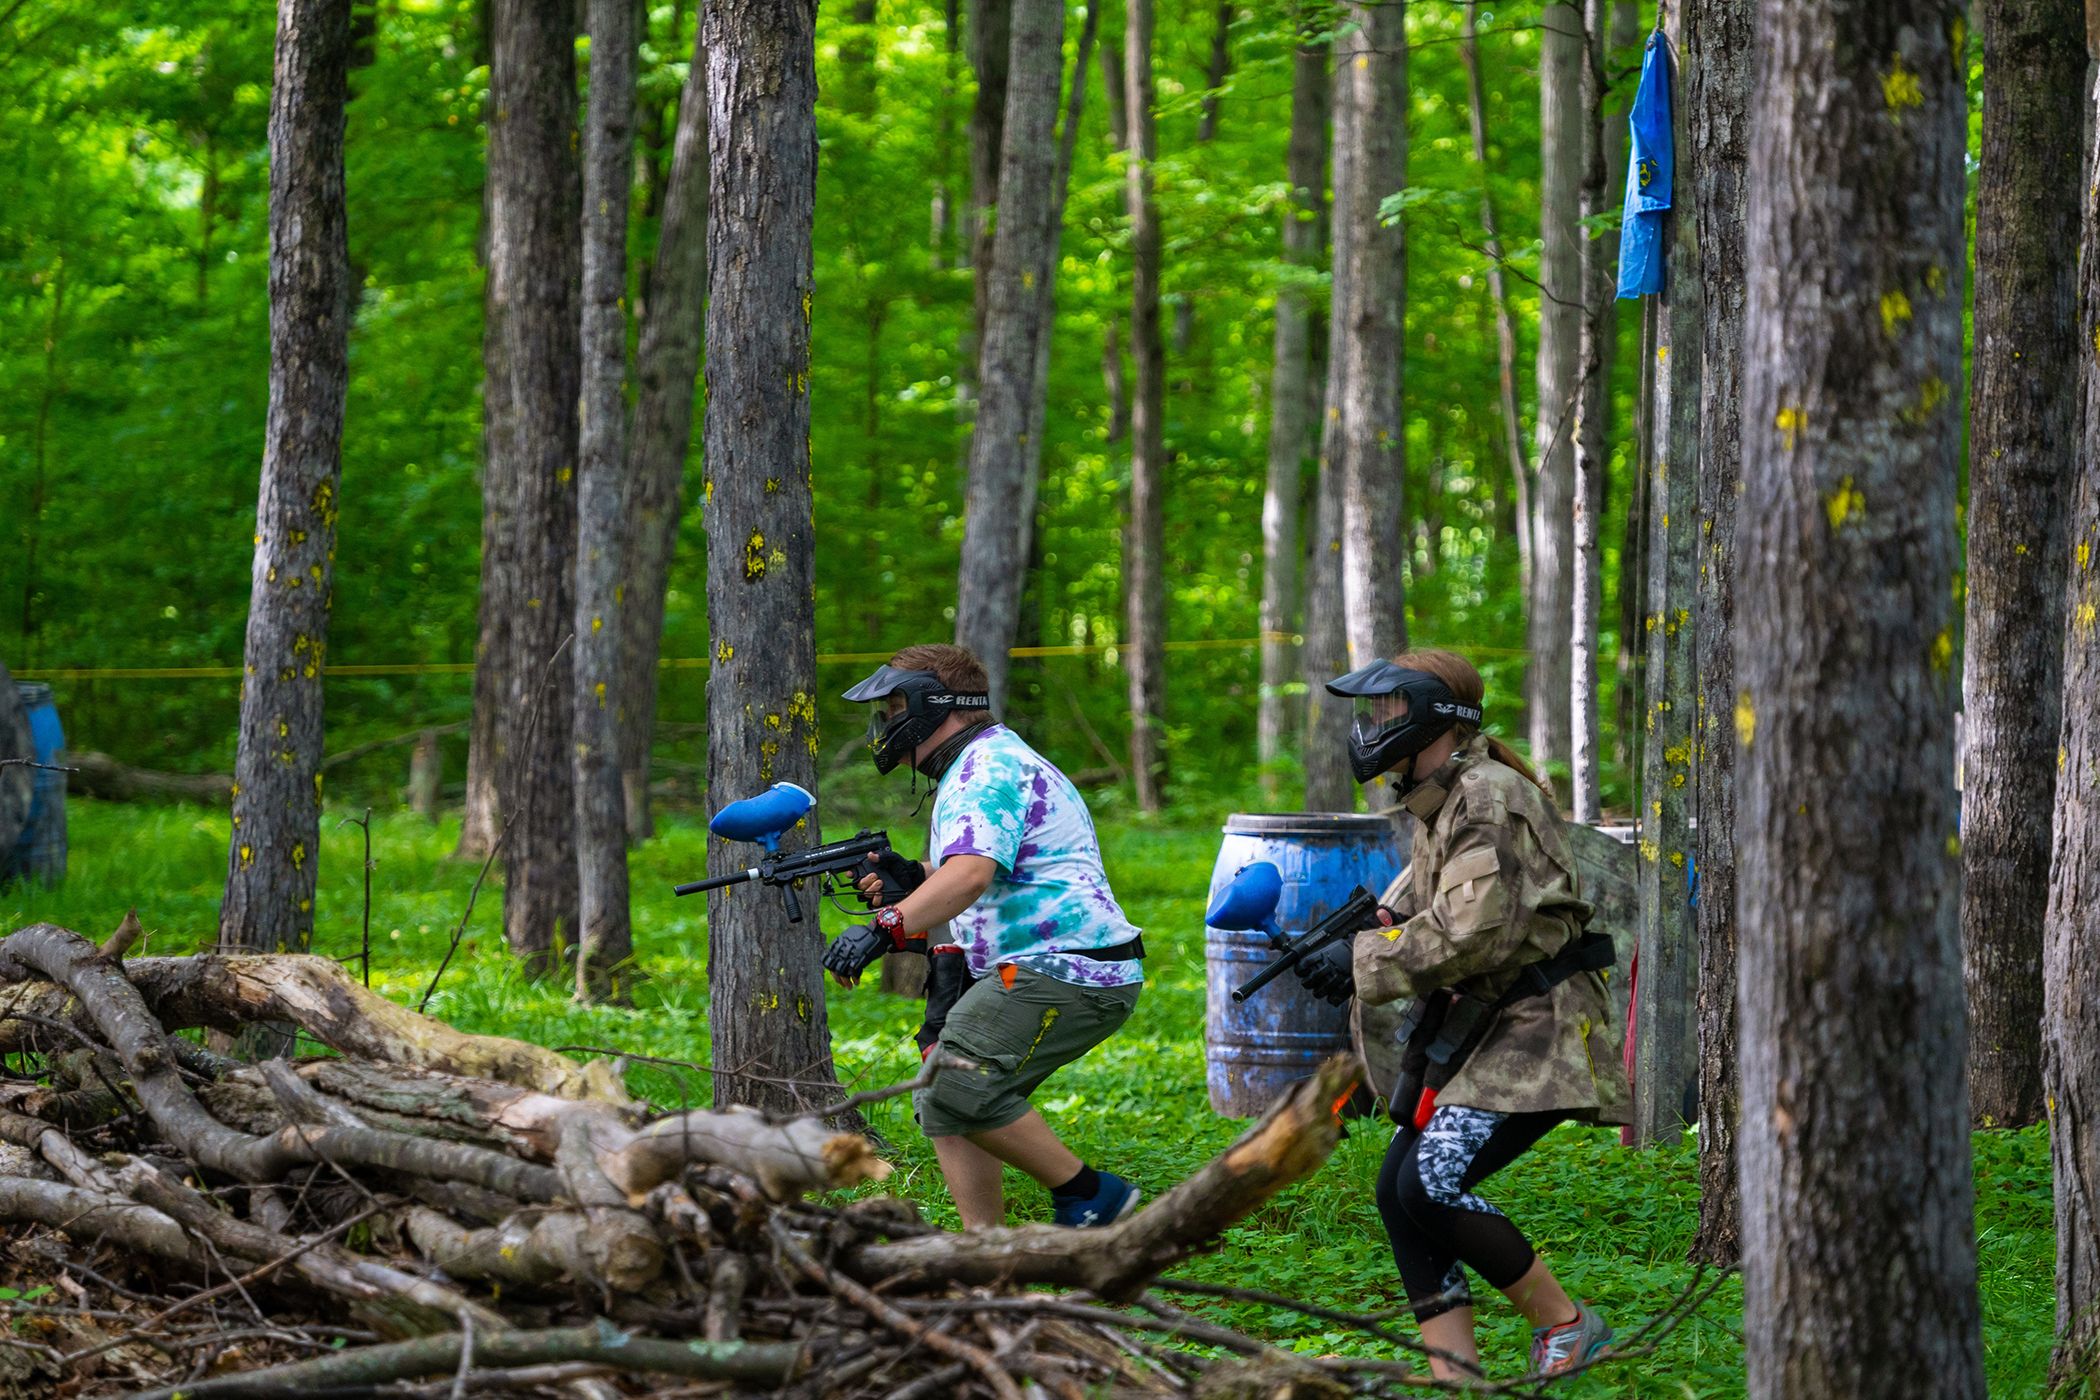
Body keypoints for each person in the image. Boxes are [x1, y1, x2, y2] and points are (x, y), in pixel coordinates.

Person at [1294, 647, 1630, 1380]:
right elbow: (1424, 900)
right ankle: (1455, 1375)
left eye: (1384, 710)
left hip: (1538, 1031)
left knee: (1429, 1185)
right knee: (1398, 1189)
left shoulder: (1486, 796)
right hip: (1487, 1026)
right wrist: (1359, 936)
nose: (1372, 725)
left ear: (1427, 716)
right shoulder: (1446, 794)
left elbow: (1472, 931)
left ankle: (1569, 1326)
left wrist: (1360, 963)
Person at [826, 643, 1146, 1230]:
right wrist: (912, 877)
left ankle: (1094, 1196)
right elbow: (981, 867)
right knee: (944, 1100)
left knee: (953, 1082)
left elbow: (971, 876)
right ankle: (985, 1249)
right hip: (1048, 965)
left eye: (894, 707)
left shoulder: (987, 769)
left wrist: (883, 927)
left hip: (1067, 968)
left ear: (931, 704)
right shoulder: (980, 764)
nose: (886, 724)